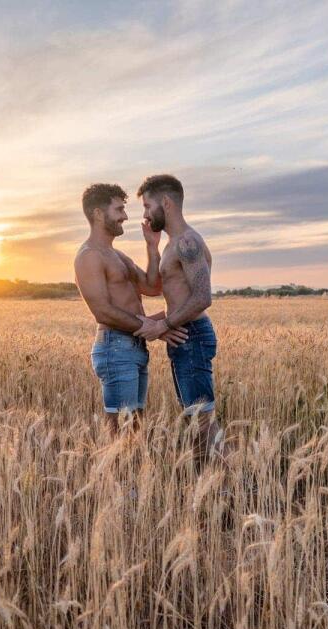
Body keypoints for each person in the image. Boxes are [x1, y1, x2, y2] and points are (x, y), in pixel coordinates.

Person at [73, 183, 187, 434]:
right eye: (119, 210)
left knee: (134, 428)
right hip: (115, 348)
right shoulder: (89, 256)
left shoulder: (118, 256)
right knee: (120, 432)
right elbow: (102, 311)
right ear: (98, 214)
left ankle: (129, 474)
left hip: (134, 346)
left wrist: (152, 247)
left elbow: (152, 286)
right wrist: (152, 327)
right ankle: (113, 474)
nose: (125, 216)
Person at [132, 175, 221, 465]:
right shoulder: (172, 244)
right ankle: (210, 484)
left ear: (166, 203)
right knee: (194, 419)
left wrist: (163, 326)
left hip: (191, 335)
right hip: (185, 336)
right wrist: (152, 247)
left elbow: (202, 297)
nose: (145, 214)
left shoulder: (188, 242)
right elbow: (164, 292)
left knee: (202, 421)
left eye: (147, 206)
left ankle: (227, 486)